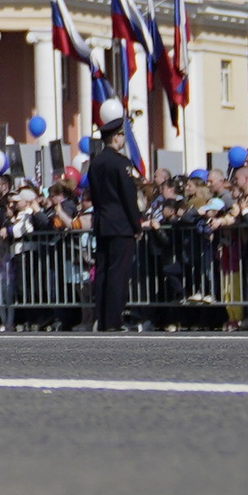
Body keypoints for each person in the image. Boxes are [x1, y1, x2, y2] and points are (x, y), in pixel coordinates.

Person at [87, 101, 142, 331]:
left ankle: (101, 318)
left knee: (102, 272)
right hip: (120, 225)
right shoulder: (121, 163)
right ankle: (114, 321)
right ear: (117, 138)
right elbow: (128, 197)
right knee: (118, 274)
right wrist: (136, 225)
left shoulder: (95, 163)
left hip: (102, 222)